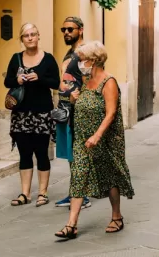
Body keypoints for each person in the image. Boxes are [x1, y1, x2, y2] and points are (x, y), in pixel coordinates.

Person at [55, 41, 134, 240]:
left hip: (105, 139)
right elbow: (79, 103)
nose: (79, 63)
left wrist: (97, 135)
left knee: (110, 177)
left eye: (81, 60)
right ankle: (71, 224)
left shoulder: (109, 82)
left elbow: (111, 112)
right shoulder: (84, 79)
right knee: (78, 176)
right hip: (82, 138)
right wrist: (74, 99)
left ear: (92, 60)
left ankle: (117, 216)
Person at [4, 23, 60, 207]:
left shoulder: (48, 59)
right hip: (21, 114)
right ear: (22, 39)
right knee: (24, 153)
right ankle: (25, 193)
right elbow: (7, 82)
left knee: (42, 153)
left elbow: (56, 83)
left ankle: (42, 193)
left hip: (42, 113)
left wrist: (40, 78)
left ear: (38, 36)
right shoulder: (16, 58)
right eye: (26, 35)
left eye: (33, 34)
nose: (30, 38)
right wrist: (17, 79)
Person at [55, 16, 91, 210]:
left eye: (70, 29)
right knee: (71, 154)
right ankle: (75, 193)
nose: (67, 33)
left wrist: (80, 98)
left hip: (77, 109)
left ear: (81, 30)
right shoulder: (70, 52)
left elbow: (90, 79)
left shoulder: (85, 53)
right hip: (65, 109)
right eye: (64, 30)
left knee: (77, 154)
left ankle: (81, 196)